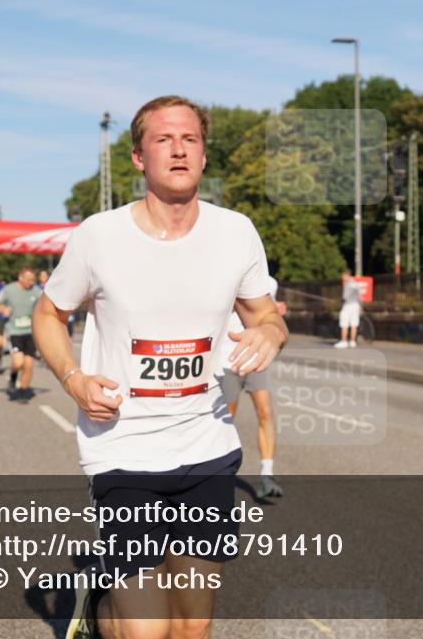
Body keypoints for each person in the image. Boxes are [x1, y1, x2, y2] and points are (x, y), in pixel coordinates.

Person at [33, 95, 287, 639]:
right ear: (138, 157)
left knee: (191, 627)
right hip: (123, 449)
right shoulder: (99, 236)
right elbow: (48, 314)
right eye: (163, 139)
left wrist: (269, 331)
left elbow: (266, 313)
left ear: (203, 155)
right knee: (147, 631)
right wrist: (73, 379)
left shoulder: (235, 232)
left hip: (207, 448)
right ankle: (103, 614)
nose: (178, 149)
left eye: (190, 139)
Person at [218, 276, 286, 499]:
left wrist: (275, 318)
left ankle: (267, 475)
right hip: (228, 358)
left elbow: (269, 316)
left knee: (265, 411)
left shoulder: (270, 282)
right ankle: (219, 475)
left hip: (257, 358)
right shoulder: (224, 273)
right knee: (227, 420)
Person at [0, 267, 41, 403]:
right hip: (14, 332)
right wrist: (3, 309)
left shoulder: (37, 291)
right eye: (29, 280)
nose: (31, 282)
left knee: (28, 364)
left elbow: (45, 305)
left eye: (33, 280)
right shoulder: (9, 290)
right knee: (18, 361)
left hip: (30, 332)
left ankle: (23, 391)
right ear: (20, 278)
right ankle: (13, 376)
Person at [335, 269, 361, 349]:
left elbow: (345, 297)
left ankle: (344, 341)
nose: (342, 277)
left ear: (346, 275)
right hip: (356, 305)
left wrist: (340, 301)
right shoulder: (355, 283)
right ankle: (352, 341)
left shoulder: (347, 283)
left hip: (348, 305)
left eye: (343, 275)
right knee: (354, 324)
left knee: (344, 323)